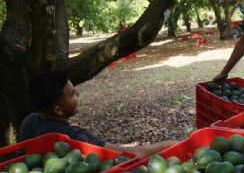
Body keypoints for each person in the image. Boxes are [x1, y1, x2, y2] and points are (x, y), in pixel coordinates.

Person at [18, 70, 178, 159]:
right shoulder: (72, 137)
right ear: (58, 110)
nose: (78, 94)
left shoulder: (29, 121)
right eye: (73, 94)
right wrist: (167, 144)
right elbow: (126, 155)